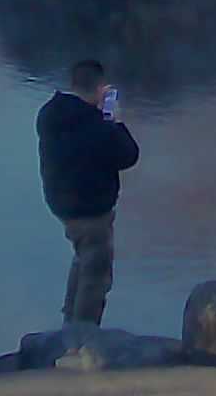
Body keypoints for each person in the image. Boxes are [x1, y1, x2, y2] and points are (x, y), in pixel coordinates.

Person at [36, 58, 139, 325]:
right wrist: (114, 120)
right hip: (91, 209)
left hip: (61, 203)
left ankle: (69, 324)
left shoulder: (50, 114)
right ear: (99, 89)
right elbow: (128, 155)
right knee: (96, 275)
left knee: (83, 259)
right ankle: (82, 338)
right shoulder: (96, 126)